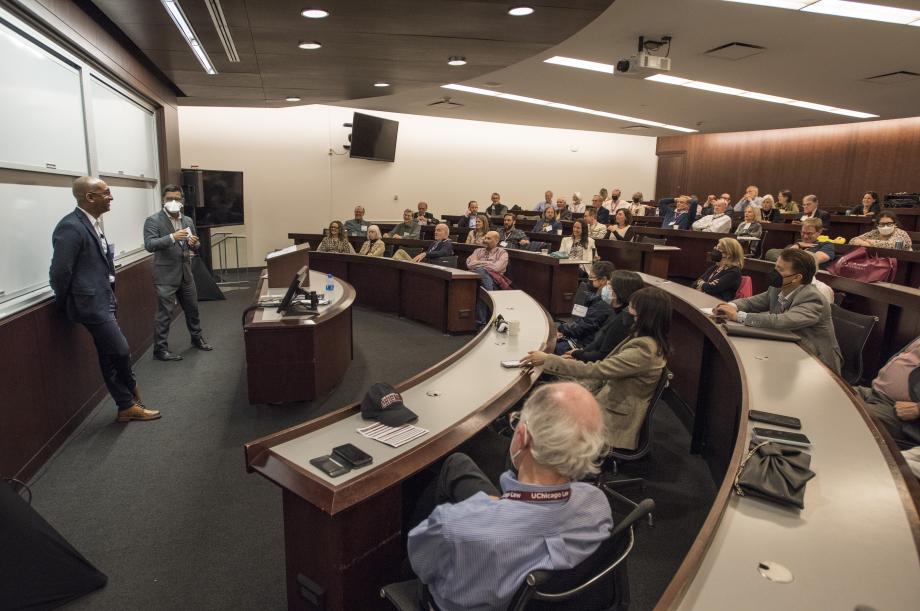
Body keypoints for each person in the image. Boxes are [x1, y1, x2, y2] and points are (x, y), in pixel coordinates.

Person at [407, 383, 611, 611]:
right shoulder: (597, 503)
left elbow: (421, 562)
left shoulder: (457, 526)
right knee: (458, 464)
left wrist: (485, 510)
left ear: (522, 436)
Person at [50, 176, 160, 422]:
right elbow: (60, 271)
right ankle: (131, 394)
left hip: (104, 298)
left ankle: (125, 406)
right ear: (90, 197)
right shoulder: (71, 226)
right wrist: (65, 301)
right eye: (106, 193)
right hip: (91, 304)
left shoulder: (93, 222)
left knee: (108, 353)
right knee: (120, 350)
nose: (111, 197)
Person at [522, 286, 670, 450]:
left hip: (613, 415)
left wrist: (548, 360)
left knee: (549, 406)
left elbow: (597, 370)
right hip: (608, 394)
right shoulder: (646, 341)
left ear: (645, 315)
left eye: (632, 307)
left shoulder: (644, 350)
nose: (628, 310)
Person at [715, 248, 843, 374]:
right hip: (787, 348)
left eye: (780, 270)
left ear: (796, 277)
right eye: (776, 267)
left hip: (816, 362)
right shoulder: (777, 288)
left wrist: (738, 316)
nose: (774, 272)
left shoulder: (813, 298)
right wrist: (732, 306)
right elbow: (752, 302)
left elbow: (781, 321)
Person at [143, 183, 212, 362]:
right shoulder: (153, 220)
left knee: (192, 308)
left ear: (182, 200)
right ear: (162, 201)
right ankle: (160, 349)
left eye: (176, 198)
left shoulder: (187, 220)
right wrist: (172, 237)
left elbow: (195, 244)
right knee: (165, 313)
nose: (173, 202)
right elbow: (150, 245)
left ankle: (197, 338)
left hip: (186, 273)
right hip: (165, 274)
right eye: (169, 199)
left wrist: (194, 243)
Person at [853, 336, 920, 450]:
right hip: (875, 392)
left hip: (901, 412)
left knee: (848, 417)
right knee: (833, 396)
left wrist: (918, 409)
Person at [568, 271, 645, 363]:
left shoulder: (623, 322)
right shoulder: (618, 313)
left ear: (618, 292)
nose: (606, 289)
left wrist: (577, 354)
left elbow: (603, 355)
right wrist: (579, 352)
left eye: (609, 286)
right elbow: (598, 343)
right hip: (586, 352)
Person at [554, 261, 614, 354]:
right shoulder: (597, 294)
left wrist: (562, 329)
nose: (589, 280)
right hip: (582, 336)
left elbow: (585, 326)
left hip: (585, 344)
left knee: (552, 345)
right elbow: (582, 321)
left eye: (592, 277)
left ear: (603, 280)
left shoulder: (604, 302)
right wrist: (565, 331)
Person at [694, 237, 744, 302]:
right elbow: (695, 283)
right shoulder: (715, 267)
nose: (715, 250)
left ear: (728, 254)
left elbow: (712, 288)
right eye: (716, 247)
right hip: (704, 299)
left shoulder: (734, 272)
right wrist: (705, 285)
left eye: (719, 249)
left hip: (716, 304)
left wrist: (702, 284)